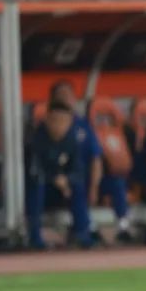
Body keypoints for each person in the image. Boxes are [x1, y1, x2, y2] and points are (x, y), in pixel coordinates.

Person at [25, 101, 92, 249]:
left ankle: (82, 234)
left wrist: (66, 179)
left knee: (78, 187)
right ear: (47, 120)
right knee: (37, 187)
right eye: (55, 120)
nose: (59, 125)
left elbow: (78, 171)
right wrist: (54, 179)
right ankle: (35, 238)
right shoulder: (37, 140)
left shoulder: (72, 141)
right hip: (42, 190)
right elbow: (33, 172)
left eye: (63, 121)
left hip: (64, 190)